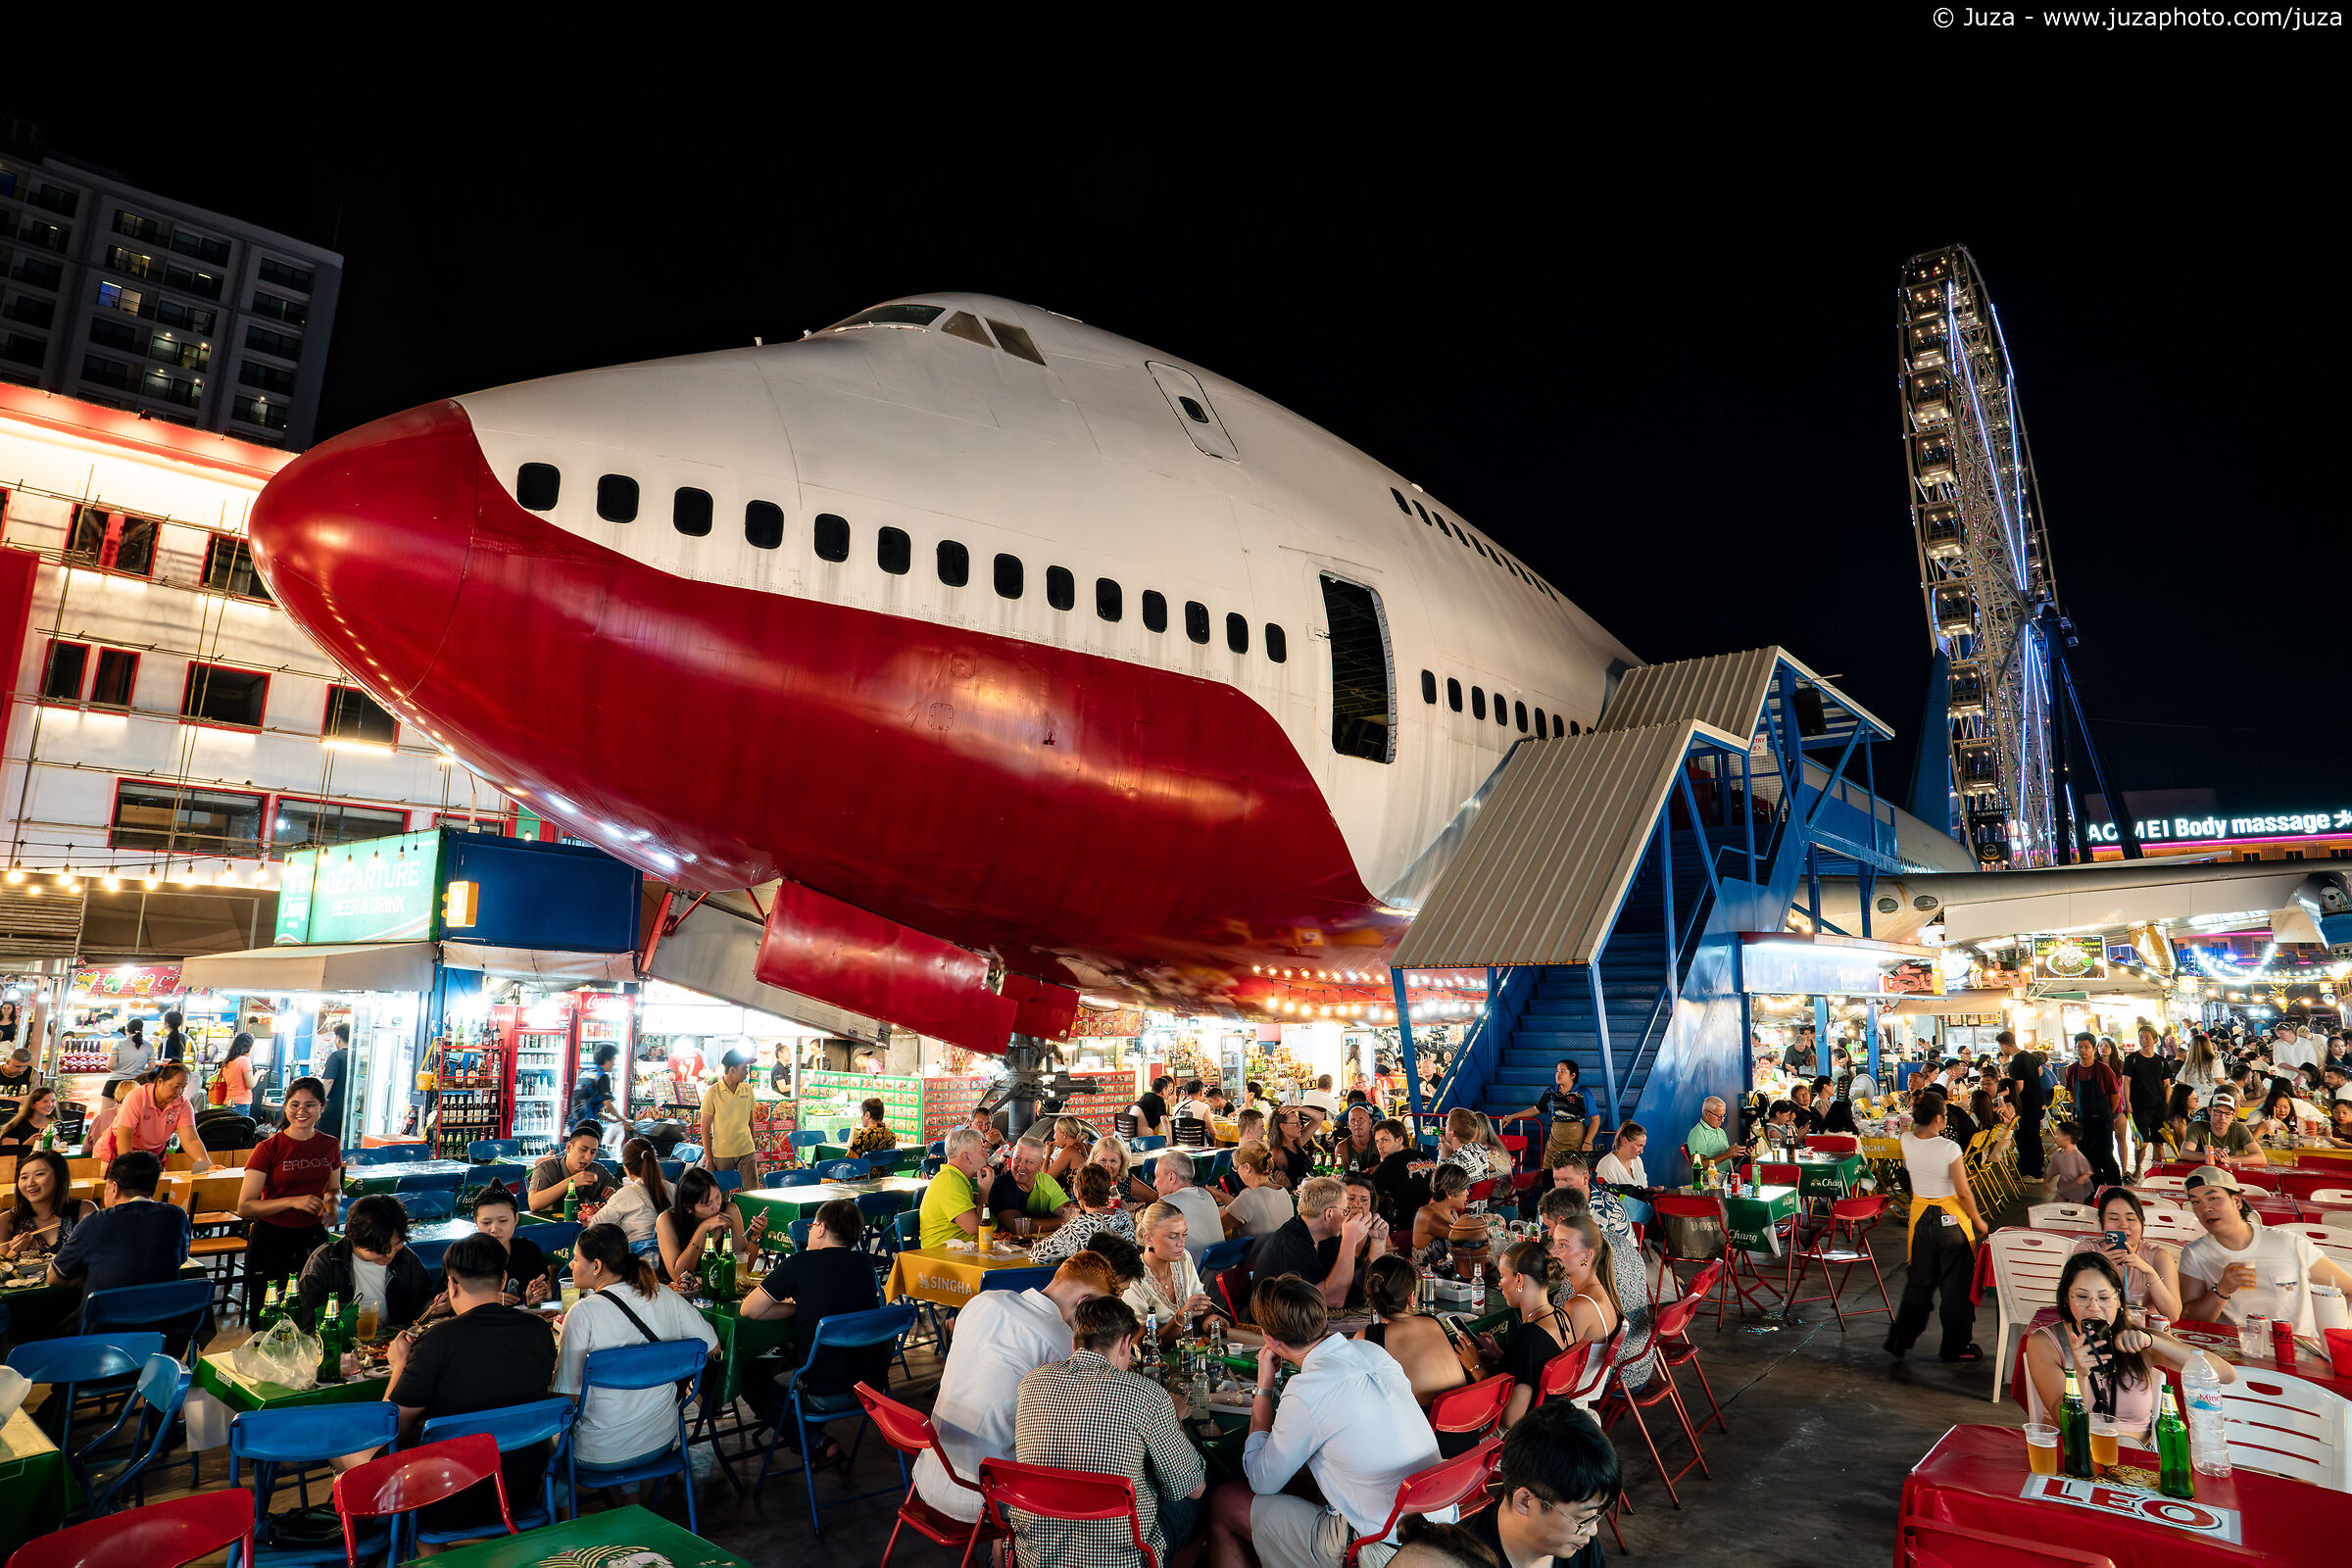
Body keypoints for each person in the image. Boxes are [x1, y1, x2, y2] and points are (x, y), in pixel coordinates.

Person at [1209, 1272, 1446, 1568]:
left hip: (1381, 1545)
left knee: (1224, 1502)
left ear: (1270, 1339)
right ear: (1322, 1318)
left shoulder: (1306, 1390)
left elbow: (1261, 1481)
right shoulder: (1373, 1351)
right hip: (1439, 1526)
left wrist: (1264, 1387)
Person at [913, 1250, 1122, 1523]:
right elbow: (1087, 1418)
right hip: (987, 1494)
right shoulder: (1060, 1339)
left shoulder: (982, 1300)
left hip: (930, 1472)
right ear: (1084, 1303)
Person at [1014, 1295, 1206, 1568]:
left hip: (1036, 1555)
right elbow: (1193, 1488)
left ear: (1074, 1343)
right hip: (1121, 1559)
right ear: (1126, 1344)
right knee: (1199, 1494)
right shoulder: (1148, 1395)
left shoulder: (1031, 1383)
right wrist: (1174, 1417)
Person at [384, 1233, 558, 1534]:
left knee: (349, 1446)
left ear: (452, 1284)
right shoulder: (538, 1330)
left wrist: (400, 1364)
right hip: (522, 1490)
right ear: (503, 1281)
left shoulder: (437, 1340)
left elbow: (391, 1426)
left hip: (446, 1495)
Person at [558, 1222, 721, 1468]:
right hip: (662, 1440)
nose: (571, 1265)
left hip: (600, 1451)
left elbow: (568, 1398)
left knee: (547, 1445)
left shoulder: (582, 1313)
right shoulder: (663, 1294)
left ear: (596, 1266)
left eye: (576, 1259)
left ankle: (578, 1490)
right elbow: (713, 1348)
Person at [2024, 1252, 2235, 1437]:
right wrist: (2079, 1374)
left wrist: (2154, 1342)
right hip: (2076, 1453)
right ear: (2066, 1298)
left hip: (2134, 1456)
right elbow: (2064, 1424)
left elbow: (2225, 1374)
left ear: (2118, 1300)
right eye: (2082, 1296)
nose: (2094, 1307)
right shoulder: (2046, 1342)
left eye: (2104, 1297)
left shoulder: (2139, 1339)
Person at [738, 1198, 879, 1462]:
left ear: (821, 1229)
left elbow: (749, 1310)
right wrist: (803, 1308)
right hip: (871, 1387)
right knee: (786, 1364)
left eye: (812, 1226)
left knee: (750, 1373)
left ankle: (811, 1439)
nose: (811, 1231)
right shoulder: (865, 1264)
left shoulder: (801, 1262)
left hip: (821, 1391)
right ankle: (801, 1431)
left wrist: (796, 1308)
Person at [2177, 1164, 2352, 1334]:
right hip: (2236, 1348)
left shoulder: (2289, 1244)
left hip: (2298, 1347)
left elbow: (2348, 1288)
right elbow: (2189, 1320)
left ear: (2236, 1201)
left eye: (2213, 1198)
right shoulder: (2195, 1254)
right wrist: (2221, 1290)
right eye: (2196, 1202)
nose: (2205, 1208)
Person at [1884, 1093, 1987, 1364]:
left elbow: (1909, 1130)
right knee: (1955, 1288)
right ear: (1939, 1118)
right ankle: (1956, 1346)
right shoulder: (1949, 1148)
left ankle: (1900, 1338)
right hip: (1950, 1221)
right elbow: (1963, 1192)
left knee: (1919, 1283)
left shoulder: (1907, 1140)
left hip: (1920, 1220)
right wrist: (1978, 1221)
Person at [1467, 1400, 1620, 1568]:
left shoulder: (1581, 1547)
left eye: (1595, 1515)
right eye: (1580, 1519)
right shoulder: (1463, 1560)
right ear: (1525, 1501)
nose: (1592, 1531)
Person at [237, 1075, 342, 1302]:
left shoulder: (330, 1145)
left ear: (322, 1107)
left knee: (310, 1308)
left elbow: (334, 1188)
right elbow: (245, 1207)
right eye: (294, 1104)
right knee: (267, 1310)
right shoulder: (267, 1148)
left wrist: (332, 1207)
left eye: (310, 1105)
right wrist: (293, 1201)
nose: (301, 1111)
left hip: (313, 1238)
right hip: (271, 1240)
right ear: (286, 1107)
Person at [295, 1193, 433, 1331]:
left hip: (396, 1339)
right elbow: (309, 1324)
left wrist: (432, 1307)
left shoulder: (405, 1259)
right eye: (381, 1250)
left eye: (397, 1245)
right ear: (355, 1240)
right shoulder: (326, 1262)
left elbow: (421, 1305)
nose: (391, 1254)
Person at [1354, 1253, 1472, 1412]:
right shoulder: (1432, 1322)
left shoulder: (1367, 1337)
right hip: (1466, 1418)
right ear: (1412, 1297)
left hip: (1426, 1425)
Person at [1245, 1176, 1371, 1313]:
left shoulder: (1326, 1237)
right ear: (1329, 1214)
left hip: (1304, 1316)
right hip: (1277, 1321)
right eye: (1344, 1211)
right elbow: (1332, 1300)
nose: (1346, 1216)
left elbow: (1356, 1280)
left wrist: (1378, 1240)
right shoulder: (1292, 1241)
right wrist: (1350, 1240)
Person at [1495, 1238, 1577, 1429]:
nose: (1499, 1283)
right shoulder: (1561, 1316)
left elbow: (1511, 1420)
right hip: (1557, 1419)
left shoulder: (1530, 1335)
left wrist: (1475, 1367)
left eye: (1502, 1276)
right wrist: (1501, 1356)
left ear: (1519, 1279)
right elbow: (1531, 1368)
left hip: (1535, 1431)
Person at [2069, 1187, 2183, 1318]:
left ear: (2142, 1224)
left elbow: (2173, 1315)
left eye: (2131, 1219)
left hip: (2144, 1329)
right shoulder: (2086, 1252)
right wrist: (2098, 1267)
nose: (2123, 1225)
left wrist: (2150, 1273)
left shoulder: (2158, 1256)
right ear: (2102, 1225)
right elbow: (2072, 1304)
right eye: (2113, 1218)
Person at [656, 1165, 766, 1284]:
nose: (716, 1206)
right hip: (675, 1291)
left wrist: (754, 1239)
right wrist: (703, 1229)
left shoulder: (729, 1211)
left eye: (717, 1196)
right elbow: (678, 1276)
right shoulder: (667, 1220)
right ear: (688, 1207)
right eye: (707, 1203)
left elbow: (743, 1269)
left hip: (717, 1288)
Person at [93, 1063, 214, 1170]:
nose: (179, 1092)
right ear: (160, 1082)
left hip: (153, 1154)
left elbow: (191, 1140)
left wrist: (207, 1165)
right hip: (118, 1151)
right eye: (176, 1087)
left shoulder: (183, 1105)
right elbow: (124, 1135)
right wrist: (128, 1167)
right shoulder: (137, 1097)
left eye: (183, 1087)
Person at [1127, 1199, 1213, 1344]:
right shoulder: (1133, 1280)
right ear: (1148, 1239)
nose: (1181, 1243)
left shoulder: (1183, 1259)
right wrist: (1180, 1317)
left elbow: (1200, 1306)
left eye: (1184, 1234)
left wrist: (1210, 1321)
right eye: (1173, 1236)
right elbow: (1142, 1345)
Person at [1032, 1162, 1138, 1263]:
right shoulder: (1125, 1217)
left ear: (1078, 1194)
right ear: (1109, 1191)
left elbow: (1037, 1254)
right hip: (1125, 1275)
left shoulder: (1079, 1226)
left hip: (1095, 1276)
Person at [0, 1149, 94, 1260]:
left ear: (59, 1176)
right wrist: (15, 1251)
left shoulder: (83, 1211)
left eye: (39, 1174)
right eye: (24, 1177)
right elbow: (3, 1267)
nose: (30, 1183)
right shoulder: (6, 1220)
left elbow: (97, 1256)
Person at [1500, 1059, 1595, 1169]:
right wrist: (1512, 1116)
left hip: (1576, 1144)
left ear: (1572, 1075)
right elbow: (1536, 1109)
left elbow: (1595, 1120)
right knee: (1548, 1174)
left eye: (1562, 1071)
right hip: (1554, 1143)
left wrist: (1588, 1142)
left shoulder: (1583, 1093)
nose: (1558, 1074)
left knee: (1571, 1175)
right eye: (1557, 1071)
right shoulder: (1550, 1092)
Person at [467, 1184, 551, 1304]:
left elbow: (544, 1293)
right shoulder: (465, 1256)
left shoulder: (528, 1250)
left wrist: (535, 1295)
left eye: (503, 1221)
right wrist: (486, 1301)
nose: (494, 1229)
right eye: (486, 1223)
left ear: (516, 1219)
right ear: (476, 1222)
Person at [2061, 1033, 2124, 1187]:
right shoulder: (2072, 1070)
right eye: (2079, 1047)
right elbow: (2071, 1094)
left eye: (2086, 1047)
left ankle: (2115, 1188)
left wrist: (2109, 1114)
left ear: (2094, 1048)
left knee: (2106, 1156)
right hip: (2083, 1121)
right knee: (2086, 1157)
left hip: (2102, 1121)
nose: (2082, 1050)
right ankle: (2094, 1189)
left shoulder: (2103, 1070)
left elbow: (2114, 1095)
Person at [595, 1136, 671, 1255]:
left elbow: (595, 1225)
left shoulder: (624, 1195)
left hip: (637, 1260)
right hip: (669, 1256)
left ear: (626, 1169)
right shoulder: (673, 1189)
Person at [1148, 1149, 1223, 1264]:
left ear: (1171, 1177)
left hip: (1192, 1271)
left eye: (1157, 1177)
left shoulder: (1166, 1204)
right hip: (1220, 1267)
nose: (1154, 1183)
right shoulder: (1207, 1194)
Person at [698, 1049, 760, 1186]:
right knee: (722, 1194)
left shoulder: (748, 1090)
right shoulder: (713, 1093)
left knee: (751, 1192)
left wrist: (752, 1145)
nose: (747, 1072)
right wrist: (709, 1161)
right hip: (722, 1154)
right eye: (744, 1068)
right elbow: (705, 1130)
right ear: (732, 1070)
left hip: (747, 1151)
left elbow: (751, 1122)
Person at [922, 1126, 992, 1248]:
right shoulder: (949, 1182)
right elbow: (975, 1227)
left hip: (964, 1250)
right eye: (982, 1150)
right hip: (941, 1254)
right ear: (966, 1157)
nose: (987, 1154)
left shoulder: (956, 1178)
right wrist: (984, 1192)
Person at [528, 1122, 618, 1214]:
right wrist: (571, 1182)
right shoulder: (546, 1168)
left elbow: (623, 1193)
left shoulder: (598, 1170)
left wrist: (614, 1193)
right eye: (583, 1150)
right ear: (569, 1147)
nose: (587, 1157)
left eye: (592, 1152)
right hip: (551, 1222)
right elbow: (533, 1204)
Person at [2121, 1026, 2172, 1175]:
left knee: (2159, 1142)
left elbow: (2167, 1085)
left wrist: (2167, 1105)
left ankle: (2160, 1172)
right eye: (2141, 1037)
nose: (2143, 1041)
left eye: (2147, 1038)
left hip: (2159, 1107)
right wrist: (2127, 1103)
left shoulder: (2161, 1061)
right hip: (2139, 1106)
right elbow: (2126, 1082)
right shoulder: (2132, 1059)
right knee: (2141, 1142)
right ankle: (2137, 1170)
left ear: (2155, 1040)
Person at [989, 1136, 1076, 1222]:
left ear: (1040, 1164)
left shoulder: (1046, 1181)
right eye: (1017, 1159)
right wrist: (1064, 1220)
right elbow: (1018, 1225)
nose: (1021, 1167)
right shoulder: (1002, 1183)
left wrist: (1075, 1211)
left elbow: (1068, 1210)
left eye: (1029, 1162)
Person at [1222, 1147, 1296, 1239]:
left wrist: (1221, 1198)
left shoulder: (1249, 1197)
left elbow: (1219, 1227)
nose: (1238, 1173)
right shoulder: (1283, 1191)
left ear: (1247, 1167)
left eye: (1237, 1168)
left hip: (1258, 1248)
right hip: (1282, 1246)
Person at [2175, 1091, 2262, 1166]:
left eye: (2227, 1114)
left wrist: (2227, 1159)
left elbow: (2260, 1157)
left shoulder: (2238, 1128)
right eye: (2218, 1112)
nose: (2222, 1118)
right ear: (2210, 1111)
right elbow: (2184, 1153)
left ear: (2233, 1115)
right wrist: (2209, 1155)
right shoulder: (2196, 1127)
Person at [1414, 1164, 1485, 1253]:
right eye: (1464, 1189)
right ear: (1449, 1193)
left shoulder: (1452, 1213)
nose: (1467, 1193)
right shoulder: (1425, 1215)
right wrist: (1486, 1222)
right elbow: (1465, 1236)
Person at [571, 1043, 620, 1135]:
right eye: (613, 1059)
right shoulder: (602, 1077)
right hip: (587, 1127)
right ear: (607, 1059)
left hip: (573, 1125)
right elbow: (608, 1104)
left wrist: (610, 1120)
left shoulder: (586, 1074)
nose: (614, 1063)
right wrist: (622, 1120)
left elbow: (587, 1104)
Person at [0, 1086, 61, 1160]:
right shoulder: (16, 1125)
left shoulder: (58, 1126)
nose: (50, 1105)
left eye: (53, 1101)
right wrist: (27, 1145)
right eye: (45, 1101)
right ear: (32, 1104)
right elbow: (7, 1157)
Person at [318, 1023, 352, 1144]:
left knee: (326, 1145)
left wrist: (319, 1103)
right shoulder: (355, 1057)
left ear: (338, 1039)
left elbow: (328, 1081)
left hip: (332, 1112)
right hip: (348, 1112)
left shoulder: (336, 1056)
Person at [1266, 1106, 1315, 1190]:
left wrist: (1299, 1108)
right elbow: (1281, 1186)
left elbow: (1319, 1117)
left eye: (1299, 1122)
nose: (1300, 1126)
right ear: (1283, 1127)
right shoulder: (1278, 1153)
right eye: (1295, 1123)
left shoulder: (1295, 1143)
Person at [1686, 1097, 1732, 1181]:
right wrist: (1727, 1155)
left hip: (1729, 1175)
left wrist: (1740, 1153)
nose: (1722, 1120)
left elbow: (1727, 1162)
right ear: (1706, 1114)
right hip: (1714, 1180)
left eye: (1723, 1116)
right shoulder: (1698, 1133)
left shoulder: (1720, 1131)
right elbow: (1699, 1165)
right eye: (1719, 1116)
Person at [2046, 1122, 2093, 1204]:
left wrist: (2077, 1183)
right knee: (2057, 1206)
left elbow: (2087, 1173)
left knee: (2075, 1209)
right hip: (2064, 1189)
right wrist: (2047, 1182)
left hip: (2078, 1191)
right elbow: (2052, 1171)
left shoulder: (2078, 1156)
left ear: (2067, 1138)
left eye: (2058, 1135)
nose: (2055, 1137)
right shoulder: (2057, 1155)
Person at [1594, 1123, 1649, 1193]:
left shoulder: (1637, 1160)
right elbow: (1608, 1197)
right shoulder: (1608, 1165)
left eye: (1643, 1146)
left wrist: (1652, 1191)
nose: (1641, 1151)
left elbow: (1643, 1189)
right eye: (1639, 1146)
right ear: (1625, 1141)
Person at [1333, 1103, 1383, 1177]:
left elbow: (1391, 1162)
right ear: (1348, 1125)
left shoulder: (1380, 1141)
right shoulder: (1341, 1148)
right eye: (1353, 1120)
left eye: (1361, 1119)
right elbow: (1342, 1177)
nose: (1357, 1123)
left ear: (1370, 1123)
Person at [214, 1034, 257, 1117]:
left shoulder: (228, 1062)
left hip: (228, 1102)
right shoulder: (244, 1060)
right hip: (241, 1103)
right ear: (247, 1047)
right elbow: (250, 1084)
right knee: (240, 1126)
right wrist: (258, 1074)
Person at [0, 1046, 41, 1118]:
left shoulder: (32, 1073)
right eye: (17, 1066)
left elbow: (35, 1098)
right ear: (8, 1062)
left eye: (25, 1067)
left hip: (20, 1116)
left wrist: (4, 1098)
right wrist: (18, 1099)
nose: (21, 1070)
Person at [1131, 1075, 1174, 1139]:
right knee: (1162, 1141)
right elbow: (1164, 1120)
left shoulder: (1145, 1096)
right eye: (1167, 1089)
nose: (1168, 1092)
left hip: (1130, 1135)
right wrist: (1170, 1141)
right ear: (1163, 1090)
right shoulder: (1159, 1100)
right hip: (1143, 1138)